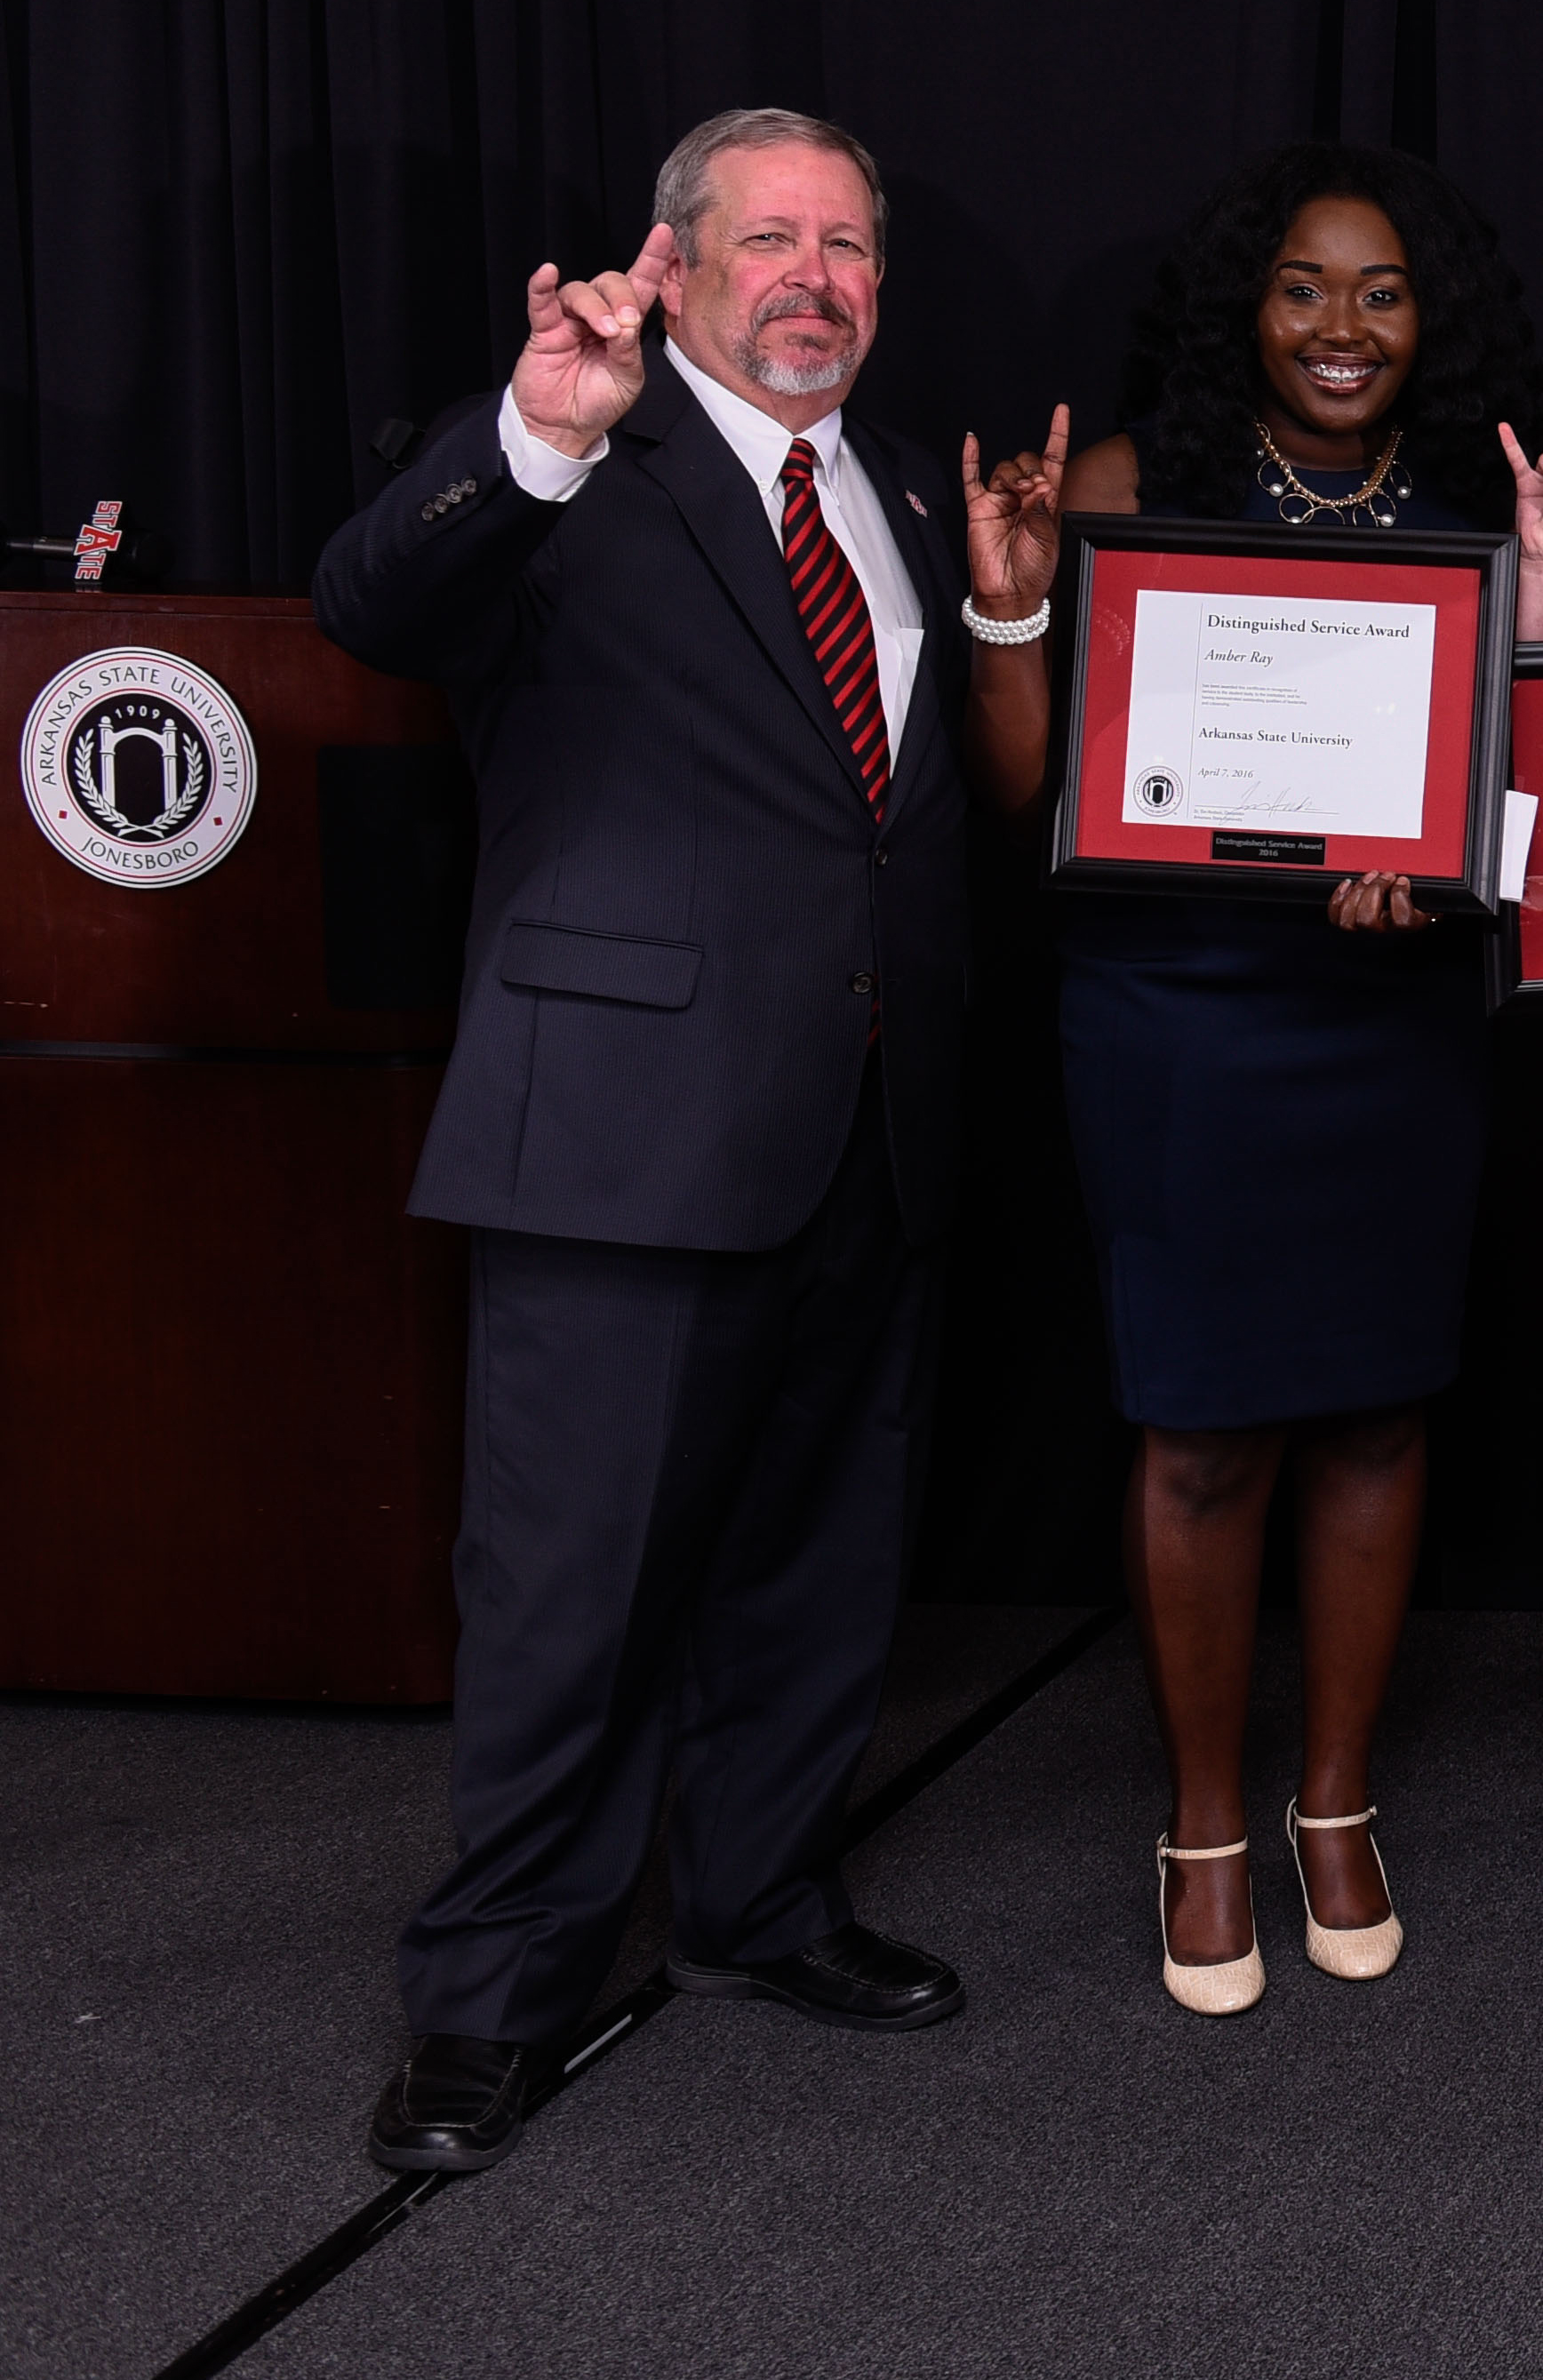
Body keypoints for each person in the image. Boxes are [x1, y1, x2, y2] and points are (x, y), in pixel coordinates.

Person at [316, 109, 974, 2169]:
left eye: (851, 246)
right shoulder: (574, 450)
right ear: (668, 263)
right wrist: (530, 431)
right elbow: (370, 603)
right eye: (771, 237)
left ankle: (760, 1906)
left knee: (810, 1567)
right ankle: (491, 2003)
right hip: (617, 1134)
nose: (816, 275)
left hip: (867, 1129)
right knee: (569, 1593)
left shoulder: (889, 494)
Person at [951, 145, 1543, 2015]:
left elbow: (1525, 794)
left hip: (1386, 1021)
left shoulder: (1479, 501)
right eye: (1307, 286)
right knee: (1207, 1428)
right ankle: (1206, 1821)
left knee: (1383, 1415)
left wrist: (1462, 865)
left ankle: (1336, 1801)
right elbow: (1016, 792)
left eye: (1383, 290)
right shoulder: (1126, 490)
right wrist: (1009, 604)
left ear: (1434, 315)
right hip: (1175, 1021)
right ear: (1246, 299)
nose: (1341, 325)